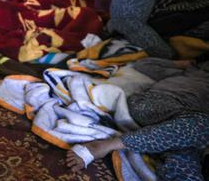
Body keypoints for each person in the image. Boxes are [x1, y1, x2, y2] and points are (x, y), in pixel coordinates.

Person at [66, 57, 209, 181]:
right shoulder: (194, 73)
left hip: (182, 135)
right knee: (204, 124)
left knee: (184, 155)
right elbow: (144, 65)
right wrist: (184, 64)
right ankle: (108, 145)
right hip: (154, 105)